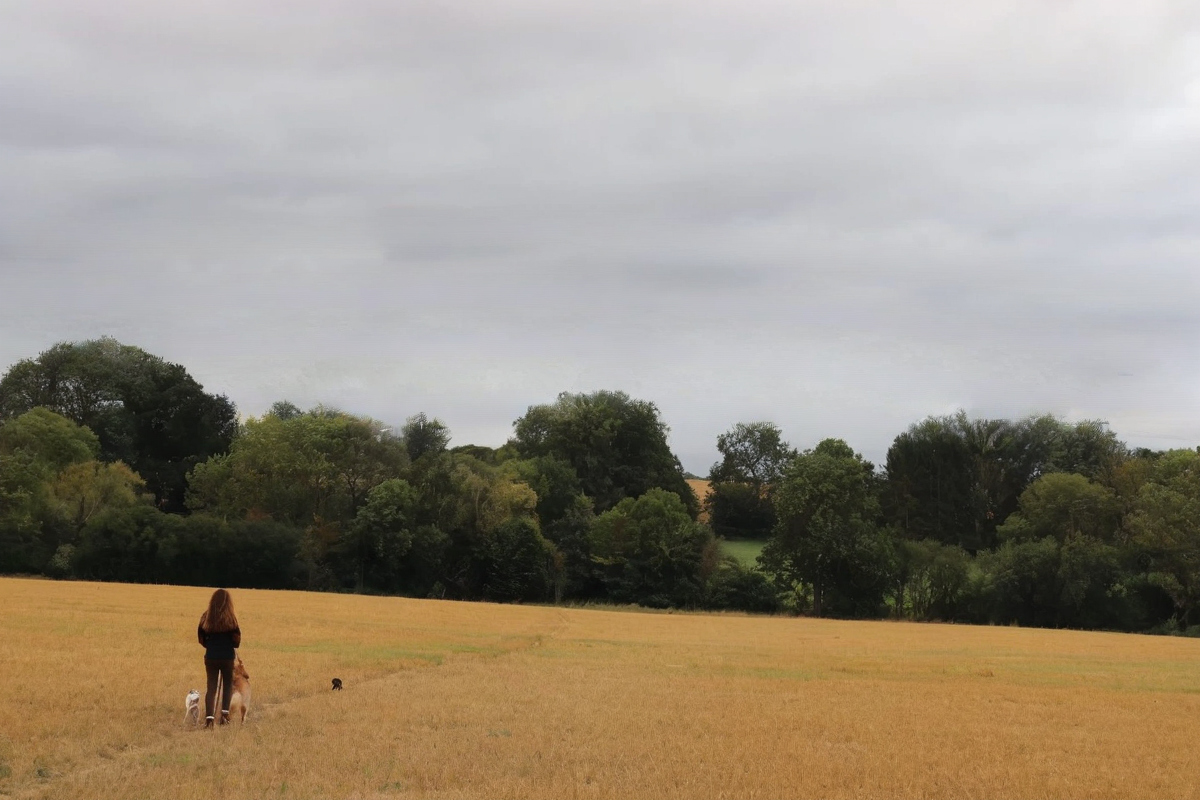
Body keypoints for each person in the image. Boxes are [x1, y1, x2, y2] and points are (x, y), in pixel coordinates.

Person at [197, 588, 242, 728]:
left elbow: (201, 637)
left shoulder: (206, 616)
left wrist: (210, 646)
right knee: (228, 685)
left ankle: (209, 719)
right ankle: (224, 716)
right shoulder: (231, 618)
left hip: (211, 656)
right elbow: (237, 640)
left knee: (211, 687)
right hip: (227, 657)